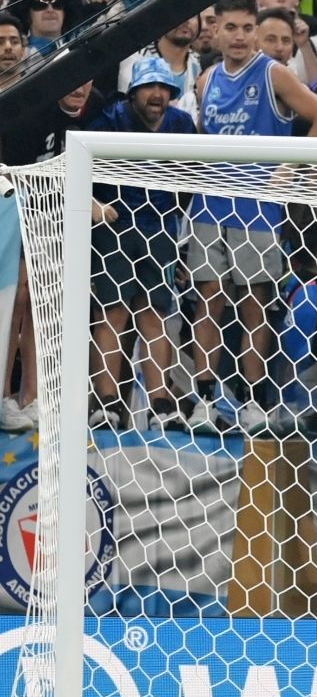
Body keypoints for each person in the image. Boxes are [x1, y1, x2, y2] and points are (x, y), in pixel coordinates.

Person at [186, 0, 317, 434]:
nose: (238, 36)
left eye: (246, 28)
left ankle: (254, 401)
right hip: (208, 204)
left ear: (256, 31)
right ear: (215, 30)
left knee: (254, 305)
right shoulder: (206, 79)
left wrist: (289, 170)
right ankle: (205, 401)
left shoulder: (272, 73)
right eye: (229, 27)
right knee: (208, 303)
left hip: (257, 206)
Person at [87, 57, 195, 432]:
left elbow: (192, 181)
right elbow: (80, 163)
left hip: (161, 229)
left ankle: (160, 404)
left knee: (155, 315)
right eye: (149, 87)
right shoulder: (109, 120)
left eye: (164, 88)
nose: (157, 95)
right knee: (112, 313)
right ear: (133, 93)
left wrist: (180, 239)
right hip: (114, 227)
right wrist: (97, 206)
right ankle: (106, 403)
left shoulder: (182, 125)